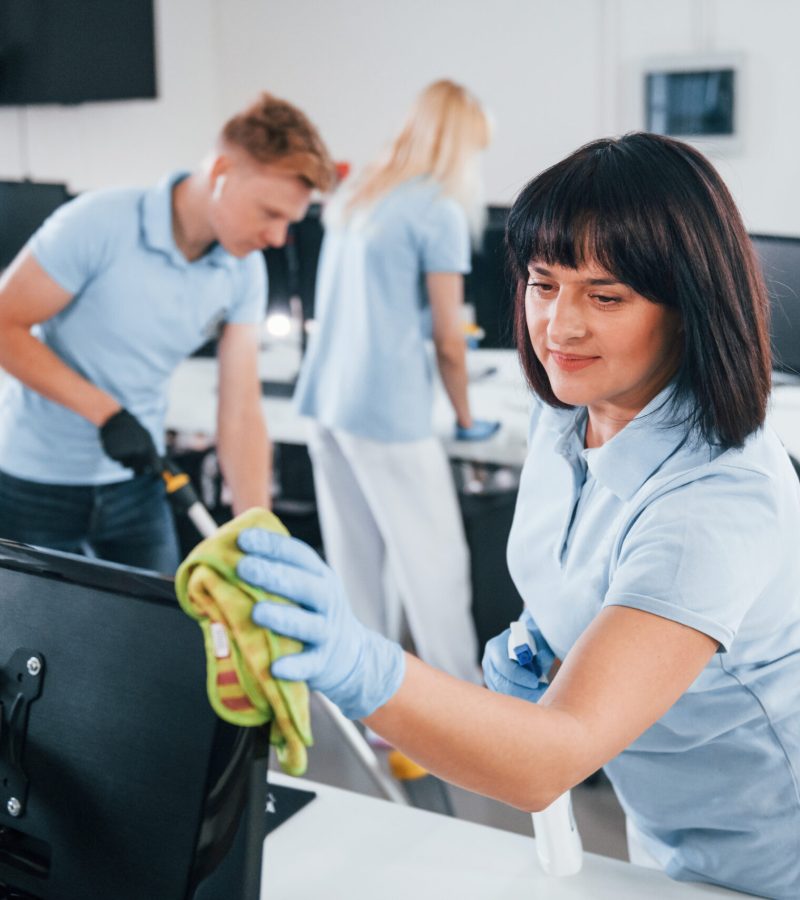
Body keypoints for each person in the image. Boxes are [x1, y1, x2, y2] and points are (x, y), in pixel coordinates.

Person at [236, 132, 800, 898]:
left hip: (769, 851)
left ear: (690, 306)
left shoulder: (713, 503)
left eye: (605, 296)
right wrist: (553, 642)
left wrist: (364, 668)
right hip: (664, 829)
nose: (559, 328)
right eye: (543, 283)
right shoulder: (567, 411)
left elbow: (550, 758)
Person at [0, 92, 335, 573]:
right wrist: (107, 413)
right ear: (221, 174)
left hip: (138, 484)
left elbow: (240, 410)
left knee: (155, 639)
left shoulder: (243, 272)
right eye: (269, 213)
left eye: (290, 222)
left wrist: (257, 534)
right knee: (39, 643)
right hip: (35, 484)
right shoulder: (96, 224)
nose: (278, 238)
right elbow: (4, 325)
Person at [292, 80, 500, 682]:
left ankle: (370, 704)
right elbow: (449, 339)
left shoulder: (361, 193)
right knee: (436, 569)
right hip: (387, 413)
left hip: (326, 404)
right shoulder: (438, 209)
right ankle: (462, 714)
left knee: (357, 568)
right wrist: (465, 418)